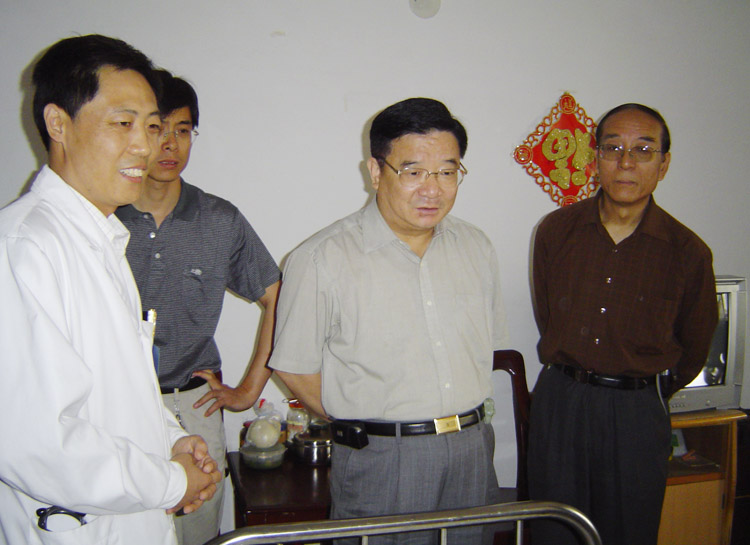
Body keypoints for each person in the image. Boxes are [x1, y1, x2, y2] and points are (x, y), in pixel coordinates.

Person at [0, 35, 221, 545]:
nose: (145, 146)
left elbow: (118, 392)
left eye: (152, 126)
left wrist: (173, 441)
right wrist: (171, 481)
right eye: (123, 124)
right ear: (58, 124)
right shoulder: (25, 246)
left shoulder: (102, 240)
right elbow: (36, 441)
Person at [269, 97, 509, 544]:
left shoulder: (477, 247)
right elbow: (294, 367)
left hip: (473, 450)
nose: (432, 189)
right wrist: (370, 427)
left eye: (447, 172)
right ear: (376, 171)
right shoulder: (322, 258)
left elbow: (484, 348)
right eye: (414, 172)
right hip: (384, 460)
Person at [528, 103, 718, 545]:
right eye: (613, 148)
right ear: (595, 158)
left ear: (663, 164)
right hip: (561, 402)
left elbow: (695, 344)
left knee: (629, 531)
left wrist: (643, 388)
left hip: (636, 412)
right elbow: (547, 315)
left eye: (643, 150)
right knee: (554, 529)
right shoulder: (556, 230)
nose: (626, 162)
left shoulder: (688, 252)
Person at [115, 70, 281, 545]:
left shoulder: (219, 219)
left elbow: (277, 296)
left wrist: (248, 391)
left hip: (192, 402)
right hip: (116, 404)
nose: (170, 144)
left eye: (183, 130)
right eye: (156, 128)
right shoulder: (104, 217)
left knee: (198, 530)